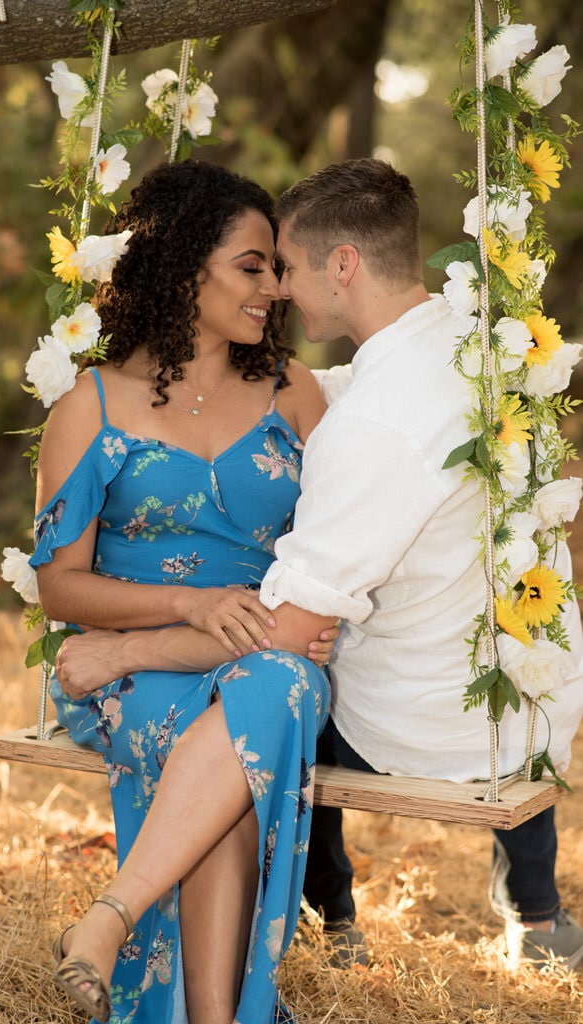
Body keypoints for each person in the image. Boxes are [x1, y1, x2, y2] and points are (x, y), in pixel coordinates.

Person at [30, 159, 339, 1024]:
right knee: (245, 745)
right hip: (150, 678)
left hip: (267, 651)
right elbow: (61, 586)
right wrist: (187, 609)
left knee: (269, 692)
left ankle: (108, 918)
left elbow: (346, 541)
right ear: (182, 264)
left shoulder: (296, 395)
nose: (274, 288)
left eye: (276, 269)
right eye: (253, 266)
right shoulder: (91, 406)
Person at [256, 157, 583, 972]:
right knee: (464, 603)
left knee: (285, 677)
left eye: (290, 267)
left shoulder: (371, 428)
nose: (283, 289)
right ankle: (535, 914)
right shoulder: (477, 338)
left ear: (343, 265)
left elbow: (297, 617)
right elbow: (376, 400)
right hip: (535, 699)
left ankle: (326, 917)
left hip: (419, 727)